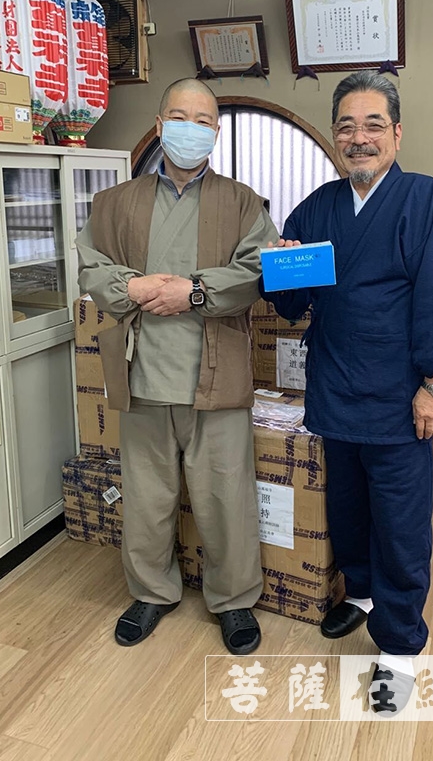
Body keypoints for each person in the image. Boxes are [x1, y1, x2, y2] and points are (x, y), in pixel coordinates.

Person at [264, 72, 433, 717]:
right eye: (347, 127)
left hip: (399, 397)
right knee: (348, 508)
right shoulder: (317, 207)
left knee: (401, 524)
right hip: (334, 387)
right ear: (336, 136)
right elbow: (291, 305)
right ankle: (359, 592)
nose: (359, 138)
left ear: (397, 134)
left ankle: (400, 645)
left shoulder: (426, 200)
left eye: (373, 125)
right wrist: (279, 263)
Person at [77, 78, 278, 655]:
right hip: (142, 371)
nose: (191, 128)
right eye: (179, 117)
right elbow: (91, 265)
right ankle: (151, 591)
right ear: (161, 125)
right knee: (146, 494)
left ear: (216, 133)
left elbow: (257, 270)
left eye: (203, 120)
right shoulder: (115, 202)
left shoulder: (242, 203)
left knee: (225, 495)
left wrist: (192, 291)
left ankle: (234, 600)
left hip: (216, 374)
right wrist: (133, 286)